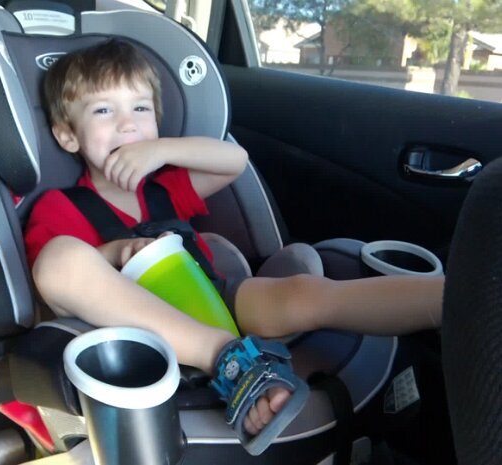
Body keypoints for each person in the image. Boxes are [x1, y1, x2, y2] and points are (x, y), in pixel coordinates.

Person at [24, 39, 443, 454]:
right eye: (104, 111)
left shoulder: (166, 189)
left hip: (215, 298)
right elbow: (54, 282)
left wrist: (163, 150)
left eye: (141, 109)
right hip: (137, 330)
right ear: (68, 135)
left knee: (304, 292)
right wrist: (114, 253)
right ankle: (230, 361)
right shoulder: (60, 207)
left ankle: (452, 300)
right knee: (59, 258)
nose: (127, 125)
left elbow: (234, 161)